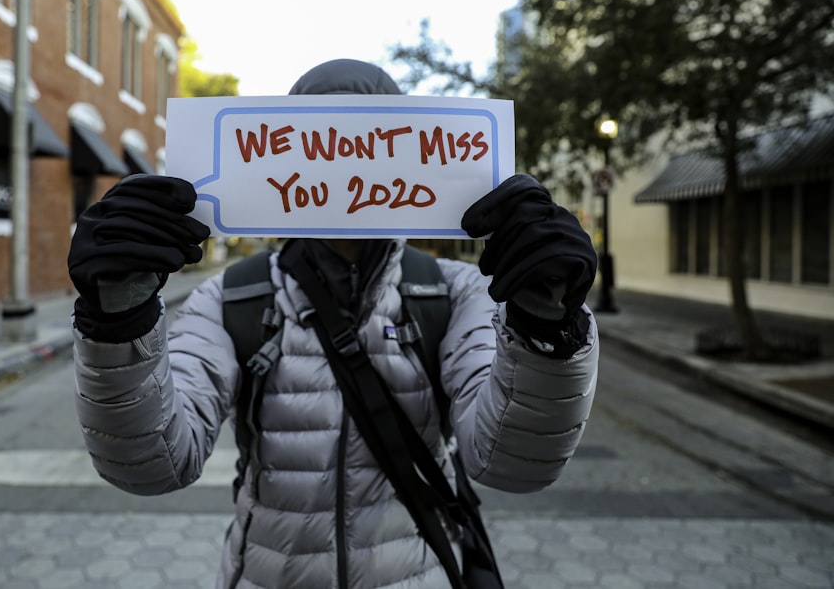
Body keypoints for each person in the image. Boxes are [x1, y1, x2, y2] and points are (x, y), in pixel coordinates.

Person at [68, 59, 600, 589]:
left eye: (373, 141)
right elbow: (153, 465)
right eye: (325, 141)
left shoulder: (454, 292)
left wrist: (544, 324)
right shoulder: (231, 296)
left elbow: (515, 466)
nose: (349, 168)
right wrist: (118, 319)